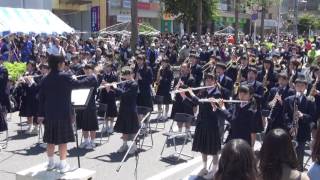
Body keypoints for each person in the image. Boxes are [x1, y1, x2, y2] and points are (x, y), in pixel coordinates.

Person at [37, 55, 93, 173]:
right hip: (63, 113)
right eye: (63, 62)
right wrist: (90, 77)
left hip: (49, 113)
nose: (64, 64)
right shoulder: (65, 76)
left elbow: (41, 98)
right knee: (62, 140)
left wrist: (40, 114)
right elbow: (79, 85)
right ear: (59, 64)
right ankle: (63, 164)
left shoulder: (45, 78)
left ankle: (51, 163)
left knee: (50, 140)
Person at [188, 74, 225, 179]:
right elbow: (195, 102)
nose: (208, 83)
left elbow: (201, 102)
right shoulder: (203, 91)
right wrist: (185, 95)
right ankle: (204, 167)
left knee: (213, 149)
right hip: (201, 122)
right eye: (206, 81)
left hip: (211, 124)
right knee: (202, 147)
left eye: (210, 80)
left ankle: (214, 170)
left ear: (214, 82)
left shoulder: (216, 93)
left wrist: (191, 94)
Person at [283, 77, 316, 171]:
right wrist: (290, 126)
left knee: (300, 154)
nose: (300, 88)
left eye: (302, 86)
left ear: (306, 87)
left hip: (302, 132)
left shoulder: (310, 101)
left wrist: (302, 116)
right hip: (290, 131)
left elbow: (312, 117)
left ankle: (299, 171)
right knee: (287, 153)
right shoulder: (288, 99)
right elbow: (285, 116)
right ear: (294, 87)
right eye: (298, 86)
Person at [107, 67, 139, 155]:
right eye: (125, 75)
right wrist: (110, 89)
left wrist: (115, 87)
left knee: (132, 129)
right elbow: (119, 94)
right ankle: (124, 145)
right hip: (123, 108)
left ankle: (134, 146)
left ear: (132, 74)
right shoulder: (124, 83)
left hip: (131, 109)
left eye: (128, 74)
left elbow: (124, 93)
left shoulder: (134, 84)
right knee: (124, 129)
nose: (126, 76)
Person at [77, 64, 99, 150]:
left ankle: (92, 142)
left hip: (91, 104)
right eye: (85, 69)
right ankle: (86, 140)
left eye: (88, 69)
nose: (86, 71)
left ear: (92, 70)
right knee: (84, 123)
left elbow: (83, 83)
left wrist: (74, 79)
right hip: (83, 102)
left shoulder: (92, 77)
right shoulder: (85, 77)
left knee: (92, 124)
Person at [98, 62, 118, 134]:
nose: (107, 68)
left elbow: (115, 84)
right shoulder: (102, 75)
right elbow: (99, 84)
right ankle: (106, 126)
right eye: (106, 66)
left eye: (108, 66)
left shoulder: (114, 75)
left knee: (111, 111)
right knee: (105, 111)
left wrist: (106, 83)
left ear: (111, 67)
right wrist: (102, 83)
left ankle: (111, 126)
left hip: (111, 94)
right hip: (103, 94)